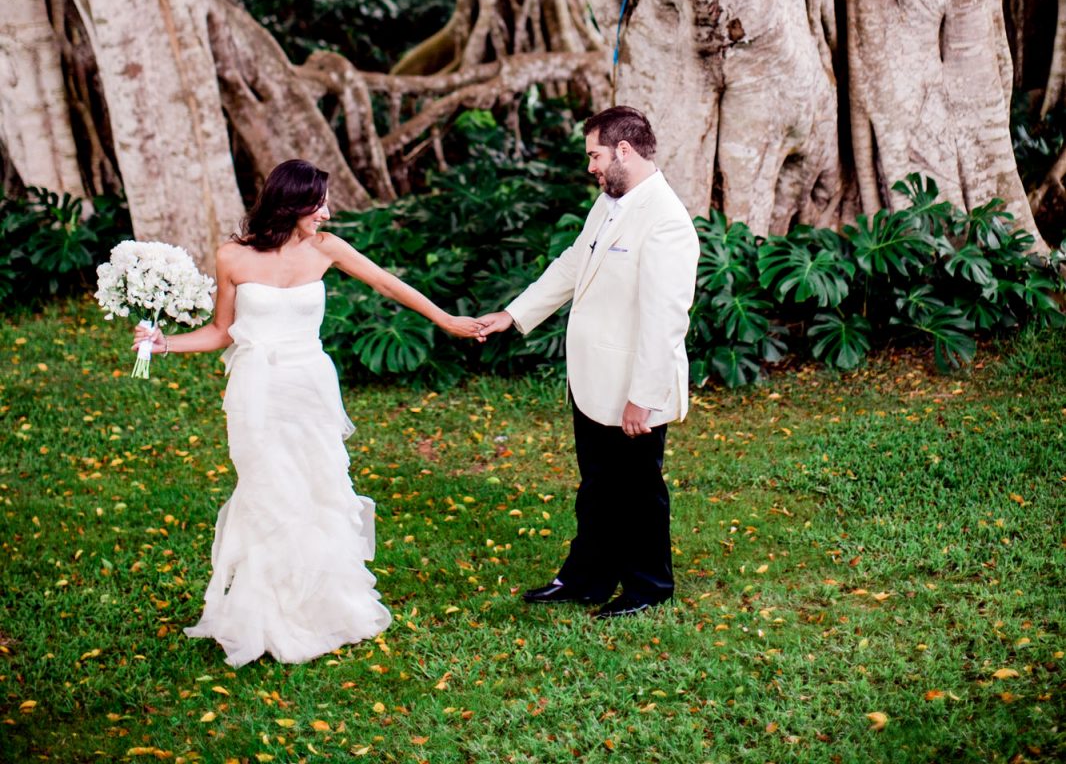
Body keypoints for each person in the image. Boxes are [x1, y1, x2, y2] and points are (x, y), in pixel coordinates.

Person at [133, 158, 479, 667]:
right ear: (291, 203)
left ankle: (324, 609)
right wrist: (164, 345)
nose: (327, 213)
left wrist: (447, 320)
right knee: (269, 492)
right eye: (318, 203)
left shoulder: (326, 249)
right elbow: (220, 332)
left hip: (310, 387)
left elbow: (387, 283)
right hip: (257, 391)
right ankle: (265, 617)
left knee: (318, 489)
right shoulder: (232, 257)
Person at [476, 106, 699, 619]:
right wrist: (514, 314)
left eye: (594, 155)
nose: (591, 166)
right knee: (597, 485)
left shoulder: (666, 222)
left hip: (631, 389)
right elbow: (574, 263)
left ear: (624, 150)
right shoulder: (609, 203)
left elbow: (665, 320)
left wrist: (643, 398)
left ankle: (649, 587)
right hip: (592, 380)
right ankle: (588, 578)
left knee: (639, 491)